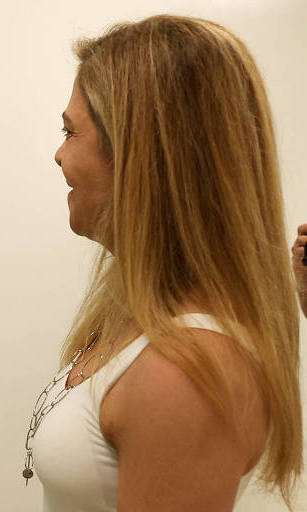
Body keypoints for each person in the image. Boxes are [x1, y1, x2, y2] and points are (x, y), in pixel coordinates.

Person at [23, 15, 302, 511]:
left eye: (70, 132)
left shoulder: (188, 371)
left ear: (139, 156)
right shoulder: (138, 315)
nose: (59, 156)